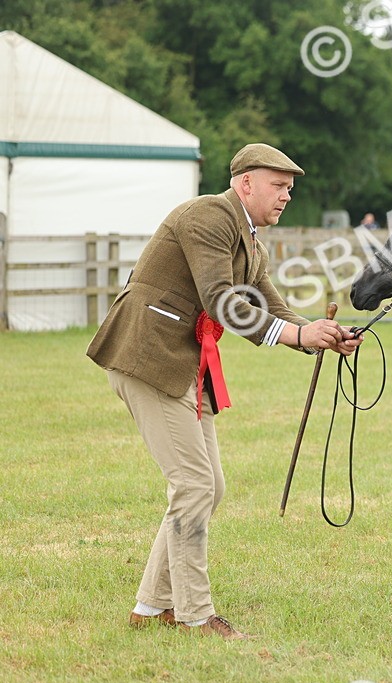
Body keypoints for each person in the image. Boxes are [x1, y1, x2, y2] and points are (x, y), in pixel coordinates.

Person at [87, 143, 363, 640]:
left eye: (290, 189)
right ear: (245, 183)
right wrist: (299, 335)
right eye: (278, 186)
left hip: (179, 365)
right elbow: (223, 300)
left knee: (207, 487)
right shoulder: (209, 215)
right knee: (194, 486)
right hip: (148, 358)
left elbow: (269, 304)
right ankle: (194, 615)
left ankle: (153, 607)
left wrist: (319, 333)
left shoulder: (250, 238)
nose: (286, 196)